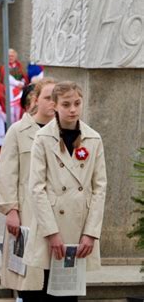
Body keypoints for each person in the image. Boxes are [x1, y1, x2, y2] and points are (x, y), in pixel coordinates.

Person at [23, 81, 107, 301]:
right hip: (49, 226)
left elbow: (99, 188)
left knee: (70, 292)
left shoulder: (93, 139)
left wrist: (91, 233)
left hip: (79, 228)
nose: (72, 109)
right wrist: (51, 232)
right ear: (55, 106)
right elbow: (36, 188)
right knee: (46, 289)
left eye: (77, 103)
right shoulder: (43, 138)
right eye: (66, 104)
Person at [0, 78, 57, 301]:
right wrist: (11, 209)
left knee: (55, 281)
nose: (53, 103)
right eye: (48, 98)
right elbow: (7, 174)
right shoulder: (19, 131)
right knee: (29, 280)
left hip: (56, 215)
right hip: (27, 215)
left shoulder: (65, 131)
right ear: (35, 99)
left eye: (56, 98)